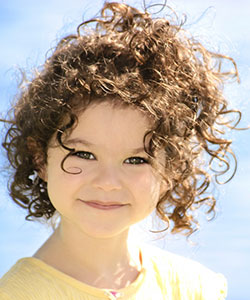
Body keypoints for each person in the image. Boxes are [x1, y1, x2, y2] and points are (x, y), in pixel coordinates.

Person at [0, 1, 242, 299]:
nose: (108, 181)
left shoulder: (194, 287)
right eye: (84, 154)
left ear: (171, 171)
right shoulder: (18, 294)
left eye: (136, 159)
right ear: (40, 159)